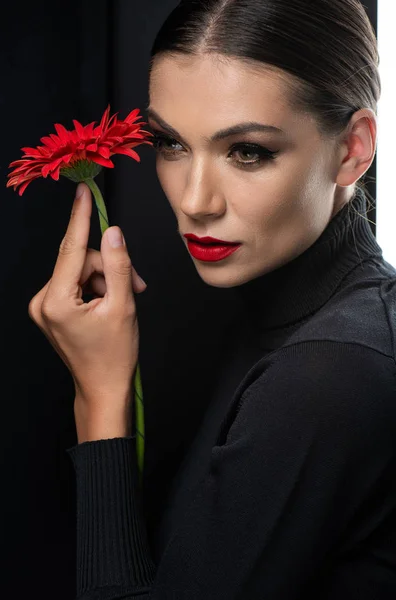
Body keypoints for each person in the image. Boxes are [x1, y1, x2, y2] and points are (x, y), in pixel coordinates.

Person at [28, 0, 396, 598]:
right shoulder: (299, 324)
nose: (196, 200)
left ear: (353, 148)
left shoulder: (329, 373)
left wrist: (101, 399)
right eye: (170, 144)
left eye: (247, 151)